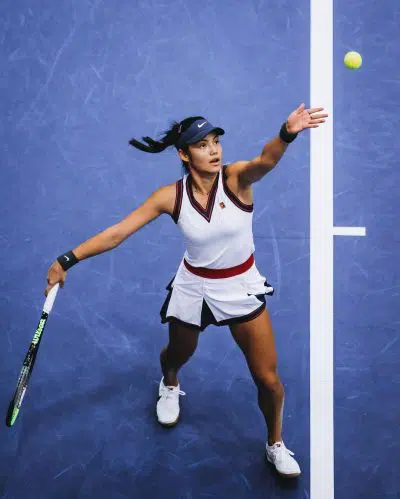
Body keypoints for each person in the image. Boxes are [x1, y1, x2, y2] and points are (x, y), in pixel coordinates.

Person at [45, 104, 327, 478]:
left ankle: (274, 443)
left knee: (268, 379)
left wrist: (287, 133)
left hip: (240, 286)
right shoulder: (170, 196)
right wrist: (66, 259)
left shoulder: (237, 179)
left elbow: (267, 160)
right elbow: (118, 233)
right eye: (202, 145)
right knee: (178, 353)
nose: (214, 151)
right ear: (183, 154)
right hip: (194, 287)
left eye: (216, 142)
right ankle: (169, 382)